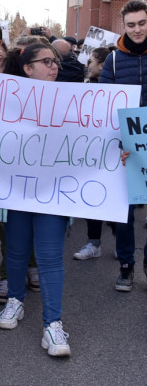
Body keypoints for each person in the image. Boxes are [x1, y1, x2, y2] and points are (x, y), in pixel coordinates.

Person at [0, 43, 71, 357]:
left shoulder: (73, 101)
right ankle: (15, 300)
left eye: (55, 62)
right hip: (17, 190)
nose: (53, 66)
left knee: (50, 257)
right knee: (16, 250)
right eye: (46, 61)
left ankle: (53, 324)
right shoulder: (5, 100)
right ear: (27, 68)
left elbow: (94, 141)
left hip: (53, 193)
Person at [99, 0, 147, 291]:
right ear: (123, 26)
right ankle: (126, 266)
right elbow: (105, 106)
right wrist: (117, 144)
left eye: (142, 23)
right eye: (131, 25)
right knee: (125, 211)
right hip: (127, 146)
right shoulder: (113, 60)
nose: (138, 29)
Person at [73, 46, 117, 260]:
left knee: (116, 197)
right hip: (90, 151)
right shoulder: (85, 87)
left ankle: (121, 242)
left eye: (90, 61)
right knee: (92, 194)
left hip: (114, 151)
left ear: (103, 64)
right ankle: (94, 243)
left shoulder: (118, 90)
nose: (86, 65)